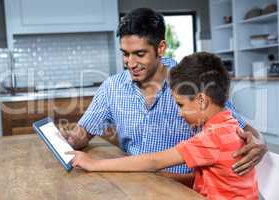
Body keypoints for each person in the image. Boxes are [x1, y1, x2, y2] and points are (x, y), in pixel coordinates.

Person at [61, 7, 266, 186]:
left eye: (139, 54)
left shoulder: (192, 80)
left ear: (160, 47)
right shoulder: (112, 87)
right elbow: (83, 133)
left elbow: (241, 129)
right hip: (134, 184)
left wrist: (258, 142)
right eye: (125, 53)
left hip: (187, 188)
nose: (130, 63)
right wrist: (72, 139)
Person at [66, 52, 259, 200]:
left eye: (180, 104)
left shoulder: (212, 138)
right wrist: (158, 176)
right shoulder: (229, 125)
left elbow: (154, 161)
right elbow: (208, 179)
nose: (178, 112)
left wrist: (93, 164)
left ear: (201, 100)